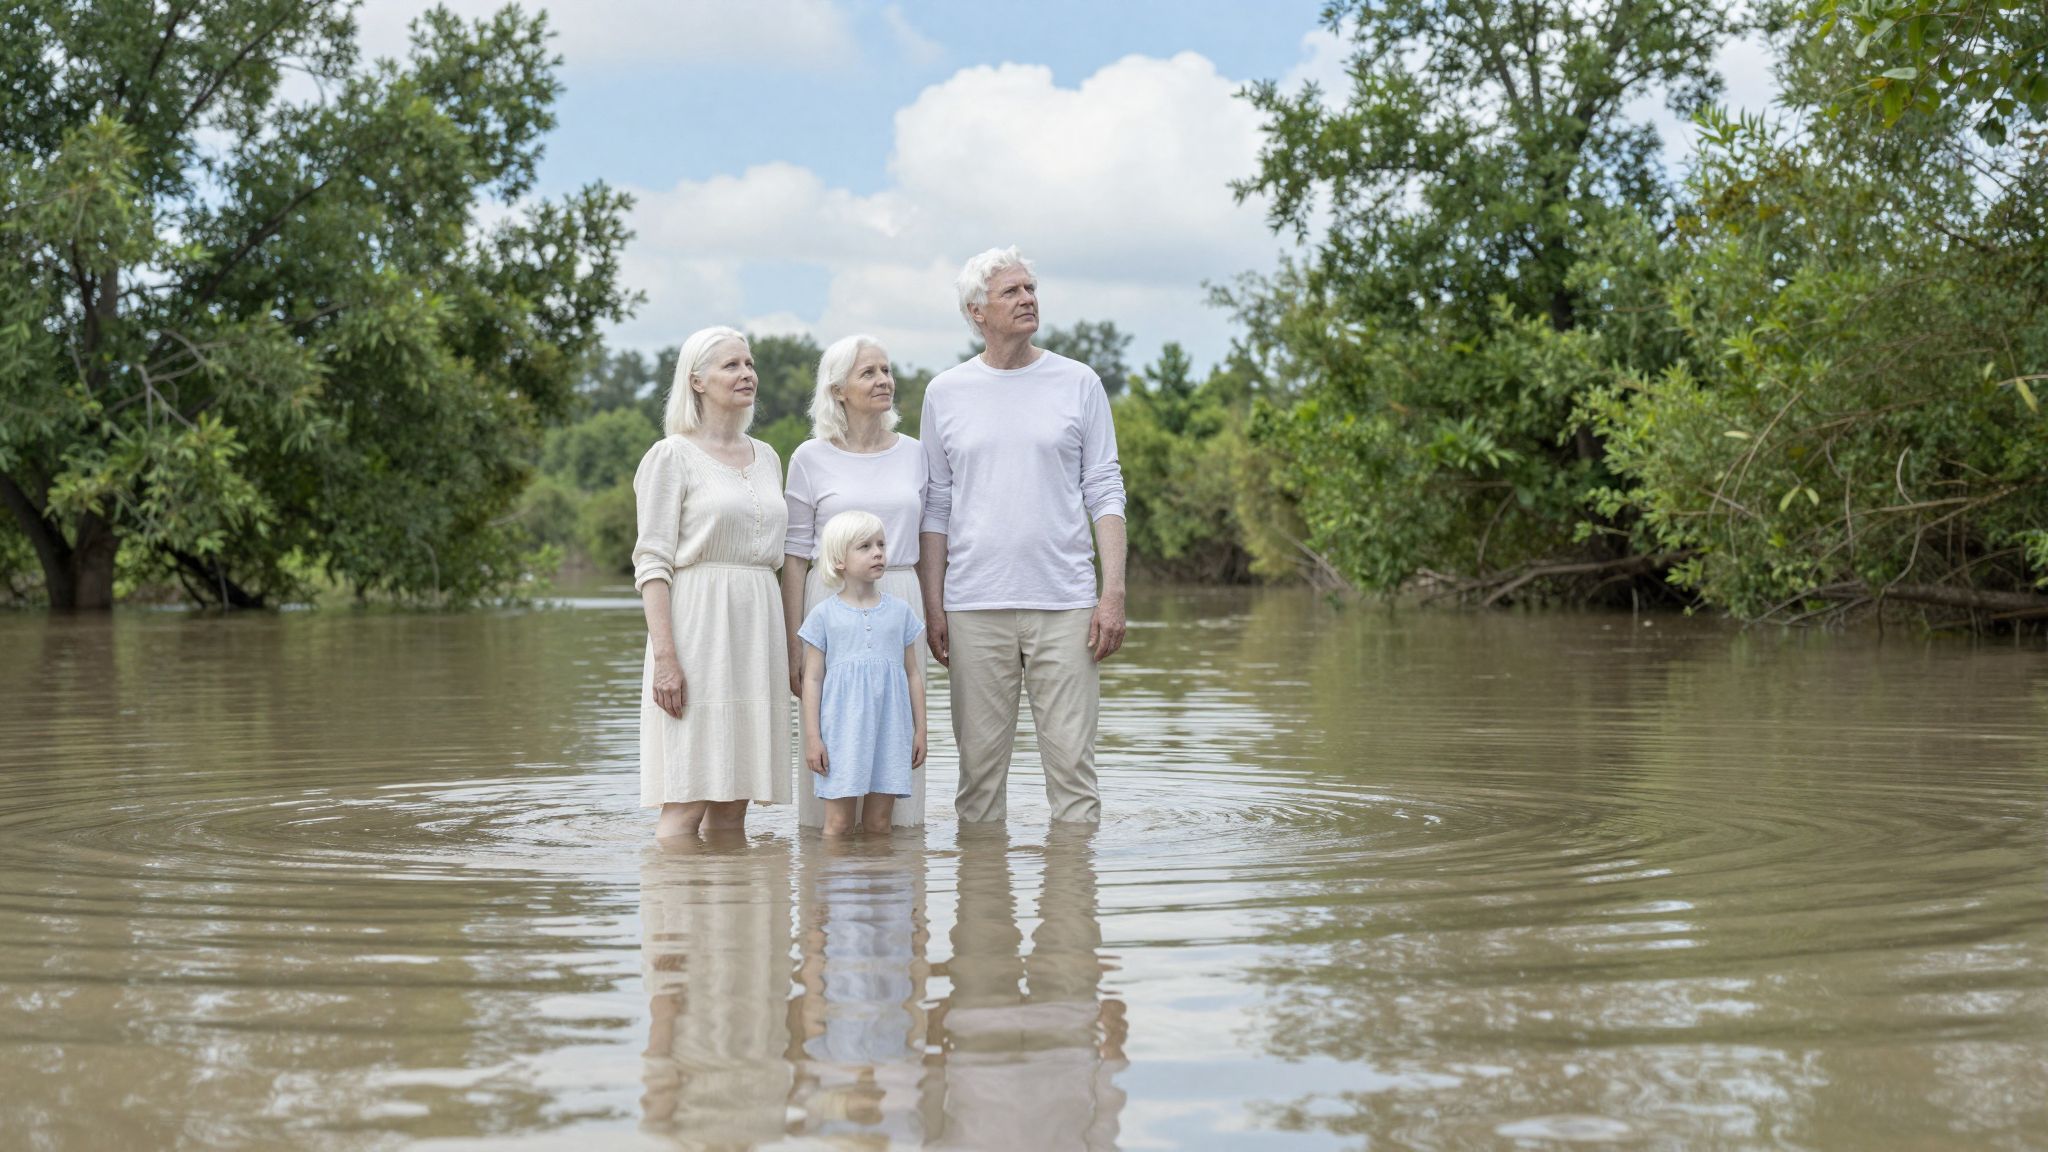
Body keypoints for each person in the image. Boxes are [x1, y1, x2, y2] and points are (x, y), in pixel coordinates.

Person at [917, 247, 1128, 823]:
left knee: (1074, 778)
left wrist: (1112, 595)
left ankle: (1074, 905)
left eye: (1030, 288)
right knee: (978, 784)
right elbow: (935, 506)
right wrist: (934, 606)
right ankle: (982, 907)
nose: (1028, 299)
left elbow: (1105, 490)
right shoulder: (945, 393)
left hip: (1066, 603)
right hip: (973, 605)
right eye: (1011, 292)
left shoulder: (1079, 382)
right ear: (976, 311)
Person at [632, 326, 791, 838]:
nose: (747, 374)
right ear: (696, 381)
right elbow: (652, 562)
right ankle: (675, 910)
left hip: (756, 627)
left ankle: (733, 913)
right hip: (698, 629)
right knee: (688, 796)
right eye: (731, 365)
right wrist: (665, 659)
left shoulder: (766, 456)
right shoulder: (671, 456)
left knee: (733, 803)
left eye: (749, 364)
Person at [782, 334, 932, 828]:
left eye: (886, 370)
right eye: (868, 372)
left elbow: (931, 535)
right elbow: (796, 556)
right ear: (837, 389)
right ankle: (827, 877)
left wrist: (936, 612)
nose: (884, 380)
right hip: (831, 603)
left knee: (896, 742)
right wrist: (792, 645)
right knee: (834, 745)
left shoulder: (915, 453)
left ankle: (895, 879)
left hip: (902, 596)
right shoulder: (809, 457)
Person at [798, 512, 928, 837]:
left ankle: (879, 885)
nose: (878, 552)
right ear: (840, 560)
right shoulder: (823, 615)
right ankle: (835, 886)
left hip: (891, 732)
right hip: (841, 734)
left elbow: (913, 674)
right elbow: (812, 680)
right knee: (838, 825)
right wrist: (813, 739)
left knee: (879, 824)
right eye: (865, 546)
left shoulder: (900, 612)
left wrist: (921, 731)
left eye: (881, 544)